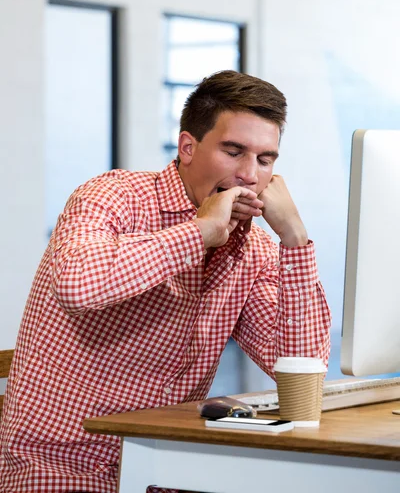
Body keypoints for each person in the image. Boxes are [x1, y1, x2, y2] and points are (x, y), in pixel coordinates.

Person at [0, 70, 331, 493]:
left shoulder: (257, 250)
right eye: (234, 151)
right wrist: (200, 233)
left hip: (166, 472)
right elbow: (78, 285)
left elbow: (301, 372)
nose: (250, 174)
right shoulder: (112, 196)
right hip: (62, 470)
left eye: (265, 160)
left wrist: (295, 241)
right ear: (188, 147)